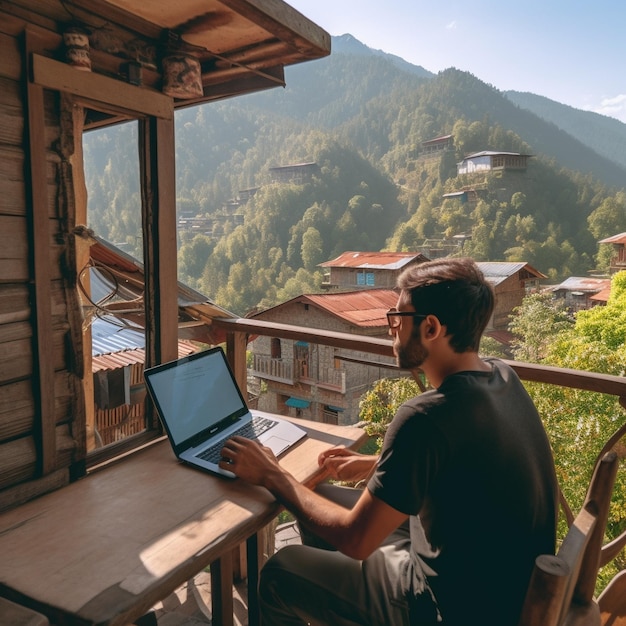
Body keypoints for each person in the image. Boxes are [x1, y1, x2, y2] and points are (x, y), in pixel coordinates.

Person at [219, 257, 559, 626]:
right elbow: (469, 463)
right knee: (324, 497)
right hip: (500, 586)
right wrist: (381, 465)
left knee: (279, 572)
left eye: (398, 319)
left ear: (430, 328)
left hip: (450, 607)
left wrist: (272, 474)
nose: (390, 330)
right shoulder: (502, 376)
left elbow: (356, 540)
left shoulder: (425, 417)